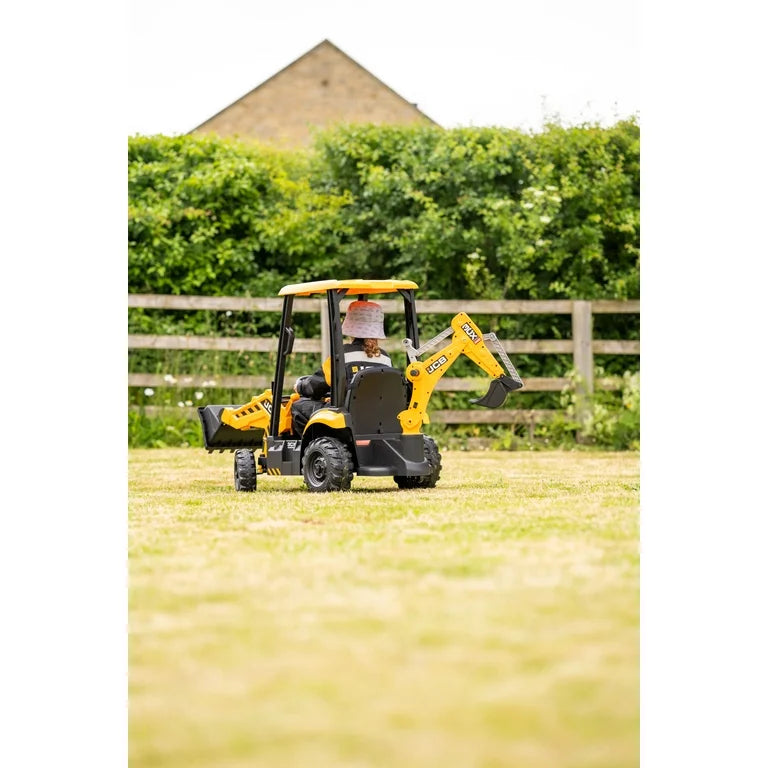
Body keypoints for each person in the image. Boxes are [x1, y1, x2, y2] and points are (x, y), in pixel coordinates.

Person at [291, 300, 393, 437]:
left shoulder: (341, 355)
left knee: (298, 407)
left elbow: (315, 386)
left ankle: (312, 448)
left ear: (350, 326)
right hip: (378, 418)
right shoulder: (386, 359)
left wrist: (300, 386)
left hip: (346, 417)